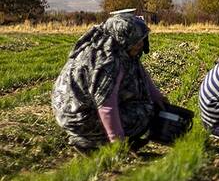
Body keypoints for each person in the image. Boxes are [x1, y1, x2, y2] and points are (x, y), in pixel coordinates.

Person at [52, 13, 168, 152]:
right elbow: (106, 106)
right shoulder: (108, 63)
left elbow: (139, 72)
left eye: (142, 39)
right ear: (123, 38)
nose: (141, 44)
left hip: (77, 110)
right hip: (80, 118)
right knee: (145, 112)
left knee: (148, 104)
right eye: (137, 41)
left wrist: (157, 97)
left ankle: (101, 137)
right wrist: (117, 143)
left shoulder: (114, 47)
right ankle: (90, 142)